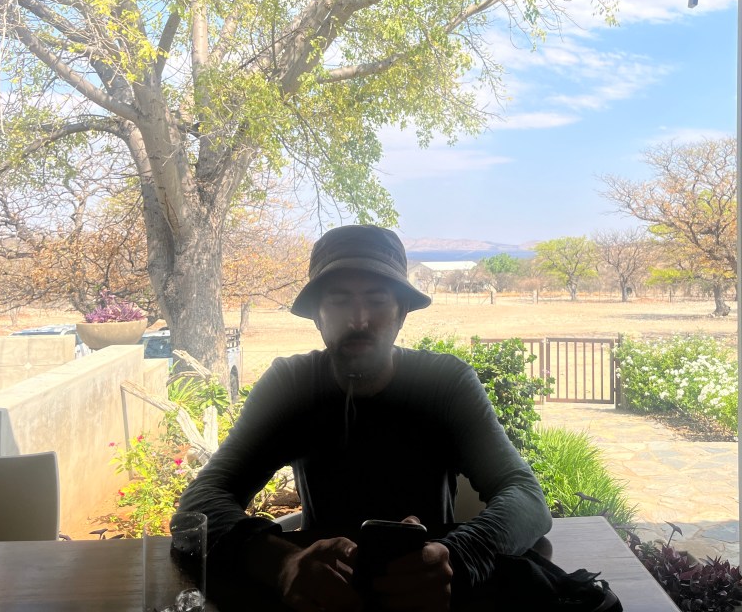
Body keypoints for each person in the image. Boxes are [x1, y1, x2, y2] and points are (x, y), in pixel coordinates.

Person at [178, 224, 552, 611]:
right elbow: (199, 502)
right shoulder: (291, 386)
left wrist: (457, 557)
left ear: (401, 313)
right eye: (340, 301)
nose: (359, 320)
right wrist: (283, 563)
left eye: (376, 300)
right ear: (318, 316)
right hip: (320, 596)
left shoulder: (445, 383)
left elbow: (525, 496)